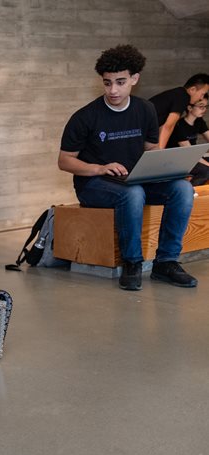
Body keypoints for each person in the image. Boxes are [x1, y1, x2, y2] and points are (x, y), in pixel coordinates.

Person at [58, 44, 197, 291]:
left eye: (120, 82)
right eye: (107, 83)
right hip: (94, 185)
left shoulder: (145, 109)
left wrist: (169, 170)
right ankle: (132, 262)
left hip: (135, 179)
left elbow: (151, 149)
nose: (113, 90)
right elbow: (65, 160)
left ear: (135, 79)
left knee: (182, 190)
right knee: (134, 194)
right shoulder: (86, 116)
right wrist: (100, 168)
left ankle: (166, 263)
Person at [148, 73, 209, 149]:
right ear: (192, 89)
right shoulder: (183, 97)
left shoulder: (178, 94)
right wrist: (159, 152)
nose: (201, 98)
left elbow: (163, 125)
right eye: (202, 94)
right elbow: (168, 126)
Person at [165, 93, 209, 186]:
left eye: (206, 106)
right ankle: (189, 190)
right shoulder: (179, 126)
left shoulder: (199, 121)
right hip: (178, 160)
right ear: (189, 108)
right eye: (201, 106)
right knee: (205, 170)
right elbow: (190, 153)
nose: (204, 109)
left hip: (192, 158)